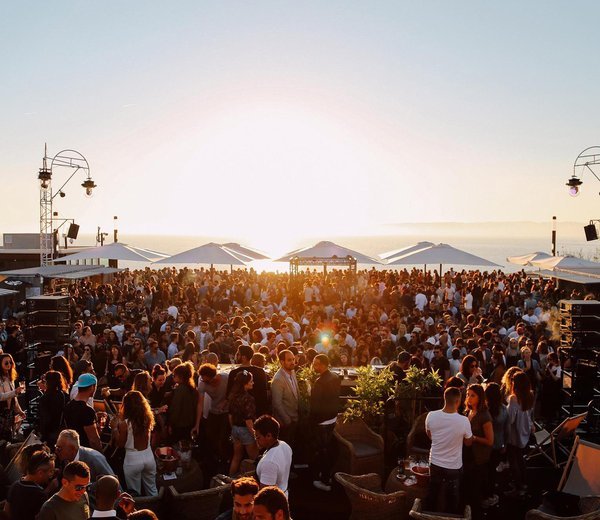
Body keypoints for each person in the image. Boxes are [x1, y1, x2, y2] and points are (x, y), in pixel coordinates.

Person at [425, 386, 473, 514]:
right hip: (454, 466)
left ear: (444, 398)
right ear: (458, 401)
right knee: (452, 498)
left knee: (433, 493)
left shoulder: (431, 416)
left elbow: (430, 435)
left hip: (434, 462)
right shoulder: (464, 421)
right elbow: (468, 443)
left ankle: (428, 515)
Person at [114, 390, 158, 497]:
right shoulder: (148, 418)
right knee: (152, 489)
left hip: (132, 459)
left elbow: (120, 444)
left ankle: (138, 512)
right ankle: (156, 510)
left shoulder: (125, 424)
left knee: (135, 494)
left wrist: (115, 428)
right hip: (148, 457)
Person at [309, 354, 340, 492]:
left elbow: (315, 406)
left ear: (322, 364)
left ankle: (322, 479)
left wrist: (312, 422)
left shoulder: (320, 382)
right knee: (328, 449)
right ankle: (327, 476)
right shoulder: (335, 377)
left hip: (321, 421)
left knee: (321, 451)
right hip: (332, 418)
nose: (314, 366)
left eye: (316, 363)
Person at [463, 384, 493, 517]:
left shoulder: (484, 416)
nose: (469, 398)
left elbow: (490, 441)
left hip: (478, 456)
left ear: (480, 397)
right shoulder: (467, 412)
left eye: (472, 395)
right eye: (468, 394)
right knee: (467, 485)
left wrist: (474, 438)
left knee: (475, 487)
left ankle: (476, 513)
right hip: (467, 454)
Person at [505, 371, 534, 498]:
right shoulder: (530, 395)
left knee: (513, 461)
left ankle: (518, 487)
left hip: (514, 434)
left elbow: (510, 419)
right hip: (524, 431)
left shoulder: (513, 398)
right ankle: (524, 484)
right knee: (521, 459)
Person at [192, 363, 230, 461]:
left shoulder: (226, 378)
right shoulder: (202, 383)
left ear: (215, 377)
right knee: (210, 436)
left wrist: (225, 401)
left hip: (226, 412)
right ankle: (213, 459)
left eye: (208, 381)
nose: (206, 383)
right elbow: (200, 403)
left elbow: (234, 392)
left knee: (223, 437)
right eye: (204, 381)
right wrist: (197, 424)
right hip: (213, 410)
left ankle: (224, 459)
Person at [6, 449, 56, 520]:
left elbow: (6, 512)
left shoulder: (15, 485)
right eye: (51, 471)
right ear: (40, 473)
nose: (52, 474)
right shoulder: (40, 495)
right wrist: (49, 489)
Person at [228, 370, 259, 475]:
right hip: (246, 430)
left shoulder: (232, 397)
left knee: (236, 457)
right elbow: (248, 421)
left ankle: (230, 480)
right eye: (251, 381)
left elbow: (230, 415)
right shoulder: (248, 399)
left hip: (235, 429)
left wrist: (233, 429)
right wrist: (256, 436)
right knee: (255, 459)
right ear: (245, 383)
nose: (253, 383)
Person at [64, 373, 103, 451]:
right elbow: (94, 440)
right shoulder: (87, 410)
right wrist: (101, 456)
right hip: (85, 451)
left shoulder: (68, 405)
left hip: (72, 449)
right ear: (92, 387)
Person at [227, 344, 269, 416]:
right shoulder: (260, 371)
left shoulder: (234, 373)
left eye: (238, 354)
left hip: (239, 413)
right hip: (257, 411)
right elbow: (264, 394)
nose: (236, 356)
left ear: (243, 357)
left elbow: (229, 394)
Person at [254, 415, 292, 495]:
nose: (256, 440)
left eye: (258, 437)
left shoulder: (269, 462)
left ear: (269, 436)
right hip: (284, 496)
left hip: (272, 505)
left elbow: (265, 494)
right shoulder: (285, 446)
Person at [484, 382, 507, 508]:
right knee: (492, 471)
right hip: (497, 444)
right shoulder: (503, 409)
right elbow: (506, 429)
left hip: (484, 445)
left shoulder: (484, 409)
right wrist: (505, 445)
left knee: (484, 470)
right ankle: (490, 495)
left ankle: (483, 494)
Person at [270, 350, 300, 446]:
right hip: (285, 422)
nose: (293, 362)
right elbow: (277, 403)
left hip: (294, 418)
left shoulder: (292, 372)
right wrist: (287, 420)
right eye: (289, 360)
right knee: (285, 446)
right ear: (282, 362)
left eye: (293, 359)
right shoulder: (278, 379)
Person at [38, 370, 69, 447]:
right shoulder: (62, 394)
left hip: (49, 433)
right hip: (60, 429)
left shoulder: (44, 398)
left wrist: (42, 433)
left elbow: (45, 418)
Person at [168, 362, 198, 442]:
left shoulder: (180, 390)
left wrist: (171, 424)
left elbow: (176, 409)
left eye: (174, 375)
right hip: (189, 423)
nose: (173, 377)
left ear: (180, 377)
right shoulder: (191, 387)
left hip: (180, 425)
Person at [0, 353, 26, 441]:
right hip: (1, 413)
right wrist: (15, 392)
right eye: (6, 363)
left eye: (10, 362)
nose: (9, 365)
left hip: (9, 414)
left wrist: (20, 411)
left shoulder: (10, 378)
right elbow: (1, 397)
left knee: (9, 438)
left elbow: (14, 399)